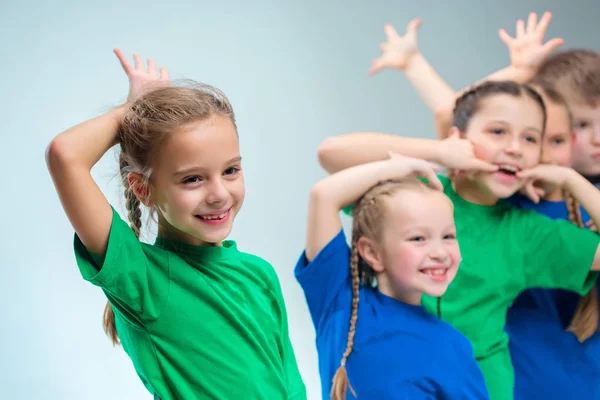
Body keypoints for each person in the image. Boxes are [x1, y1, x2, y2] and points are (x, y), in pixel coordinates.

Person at [45, 49, 306, 400]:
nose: (218, 194)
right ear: (144, 189)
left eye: (230, 170)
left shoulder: (261, 275)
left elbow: (292, 387)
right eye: (192, 179)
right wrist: (135, 107)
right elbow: (65, 155)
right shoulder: (143, 279)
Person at [317, 80, 600, 400]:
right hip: (393, 374)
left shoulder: (526, 233)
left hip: (477, 386)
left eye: (530, 138)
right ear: (459, 138)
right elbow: (331, 153)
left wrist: (569, 179)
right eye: (498, 132)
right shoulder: (416, 193)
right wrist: (437, 151)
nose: (515, 148)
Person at [295, 151, 489, 399]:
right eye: (418, 238)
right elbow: (323, 196)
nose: (440, 252)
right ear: (372, 252)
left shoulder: (453, 346)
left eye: (448, 236)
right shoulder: (339, 302)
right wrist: (399, 166)